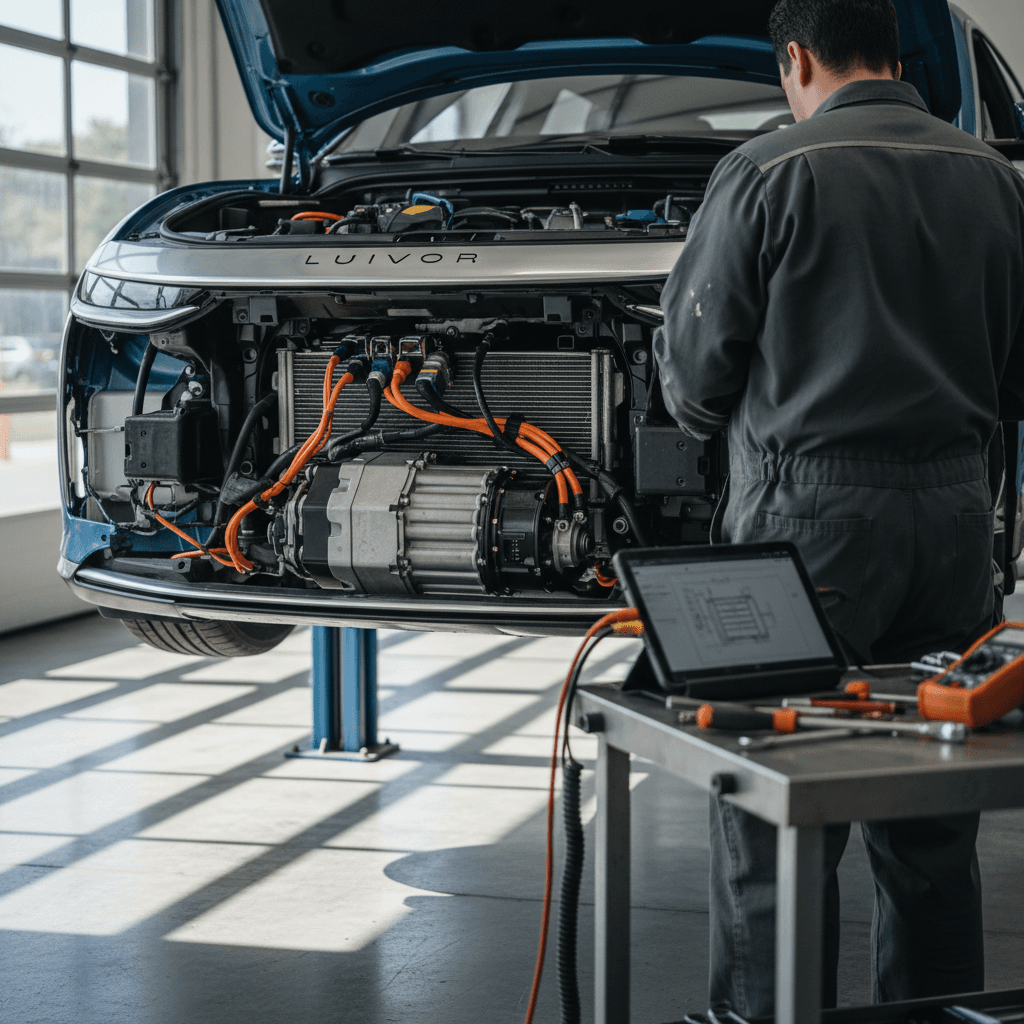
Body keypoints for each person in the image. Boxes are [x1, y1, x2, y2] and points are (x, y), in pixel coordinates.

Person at [652, 0, 1024, 1014]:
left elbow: (691, 381)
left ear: (797, 59)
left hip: (804, 533)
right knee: (932, 812)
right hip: (954, 527)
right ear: (895, 57)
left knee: (775, 803)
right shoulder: (997, 180)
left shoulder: (770, 172)